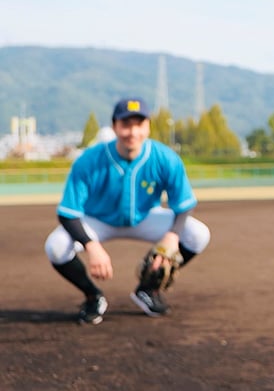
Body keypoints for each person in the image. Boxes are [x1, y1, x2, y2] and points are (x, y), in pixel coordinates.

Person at [44, 97, 211, 325]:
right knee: (56, 246)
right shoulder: (89, 160)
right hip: (98, 221)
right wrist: (91, 246)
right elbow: (67, 212)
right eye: (126, 124)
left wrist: (172, 237)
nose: (133, 132)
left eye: (139, 124)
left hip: (145, 217)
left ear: (148, 126)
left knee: (198, 234)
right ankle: (93, 296)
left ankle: (148, 289)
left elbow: (183, 205)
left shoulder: (165, 158)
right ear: (114, 126)